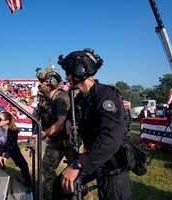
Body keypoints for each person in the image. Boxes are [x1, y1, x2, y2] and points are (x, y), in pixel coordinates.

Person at [53, 48, 131, 200]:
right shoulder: (81, 97)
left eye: (68, 71)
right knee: (60, 185)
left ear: (79, 71)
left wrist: (78, 164)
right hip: (95, 159)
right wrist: (69, 120)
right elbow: (74, 111)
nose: (66, 76)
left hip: (113, 164)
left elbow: (111, 139)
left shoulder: (106, 95)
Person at [36, 67, 74, 200]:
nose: (40, 84)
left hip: (69, 141)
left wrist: (44, 134)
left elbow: (61, 122)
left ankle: (75, 194)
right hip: (56, 140)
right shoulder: (47, 99)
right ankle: (54, 195)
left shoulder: (61, 97)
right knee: (46, 167)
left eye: (43, 82)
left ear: (52, 82)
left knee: (75, 173)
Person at [0, 111, 32, 188]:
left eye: (0, 119)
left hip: (11, 148)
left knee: (24, 164)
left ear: (7, 121)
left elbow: (12, 145)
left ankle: (29, 183)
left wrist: (6, 156)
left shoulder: (13, 130)